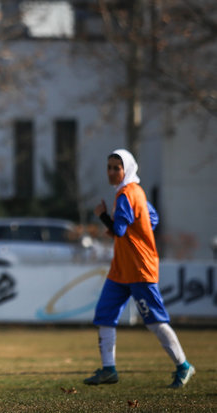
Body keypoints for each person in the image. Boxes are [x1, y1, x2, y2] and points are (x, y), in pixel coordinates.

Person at [84, 149, 194, 388]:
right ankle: (109, 369)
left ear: (127, 170)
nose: (112, 172)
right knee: (105, 315)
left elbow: (121, 230)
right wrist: (124, 228)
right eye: (110, 167)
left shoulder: (126, 194)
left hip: (139, 269)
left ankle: (184, 366)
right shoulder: (136, 192)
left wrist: (103, 217)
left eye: (117, 168)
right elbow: (151, 219)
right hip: (122, 268)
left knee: (155, 321)